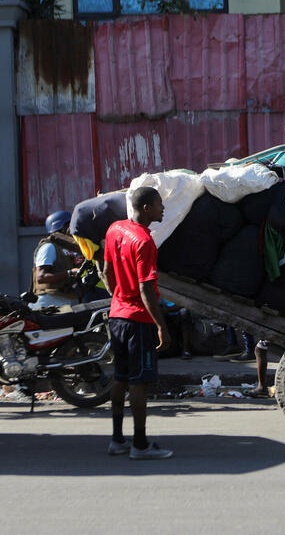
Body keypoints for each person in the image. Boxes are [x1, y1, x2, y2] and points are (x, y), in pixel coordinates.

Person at [102, 186, 173, 460]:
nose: (162, 209)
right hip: (138, 320)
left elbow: (106, 270)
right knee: (138, 381)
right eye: (158, 205)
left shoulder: (115, 229)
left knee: (120, 377)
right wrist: (161, 326)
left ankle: (117, 440)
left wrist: (117, 296)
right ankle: (140, 445)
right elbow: (146, 290)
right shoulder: (144, 242)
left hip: (117, 315)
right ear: (146, 209)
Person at [31, 210, 82, 310]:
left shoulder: (65, 248)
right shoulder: (49, 247)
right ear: (62, 227)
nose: (72, 229)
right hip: (47, 302)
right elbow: (41, 277)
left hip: (62, 300)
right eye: (69, 225)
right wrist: (70, 272)